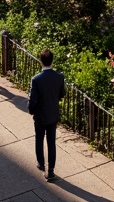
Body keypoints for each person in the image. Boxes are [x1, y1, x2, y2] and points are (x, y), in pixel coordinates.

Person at [28, 48, 66, 182]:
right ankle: (50, 171)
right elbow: (62, 94)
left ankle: (40, 162)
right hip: (53, 114)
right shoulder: (59, 77)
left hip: (40, 115)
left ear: (41, 61)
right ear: (52, 60)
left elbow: (33, 99)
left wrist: (31, 110)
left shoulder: (36, 79)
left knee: (39, 139)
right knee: (51, 143)